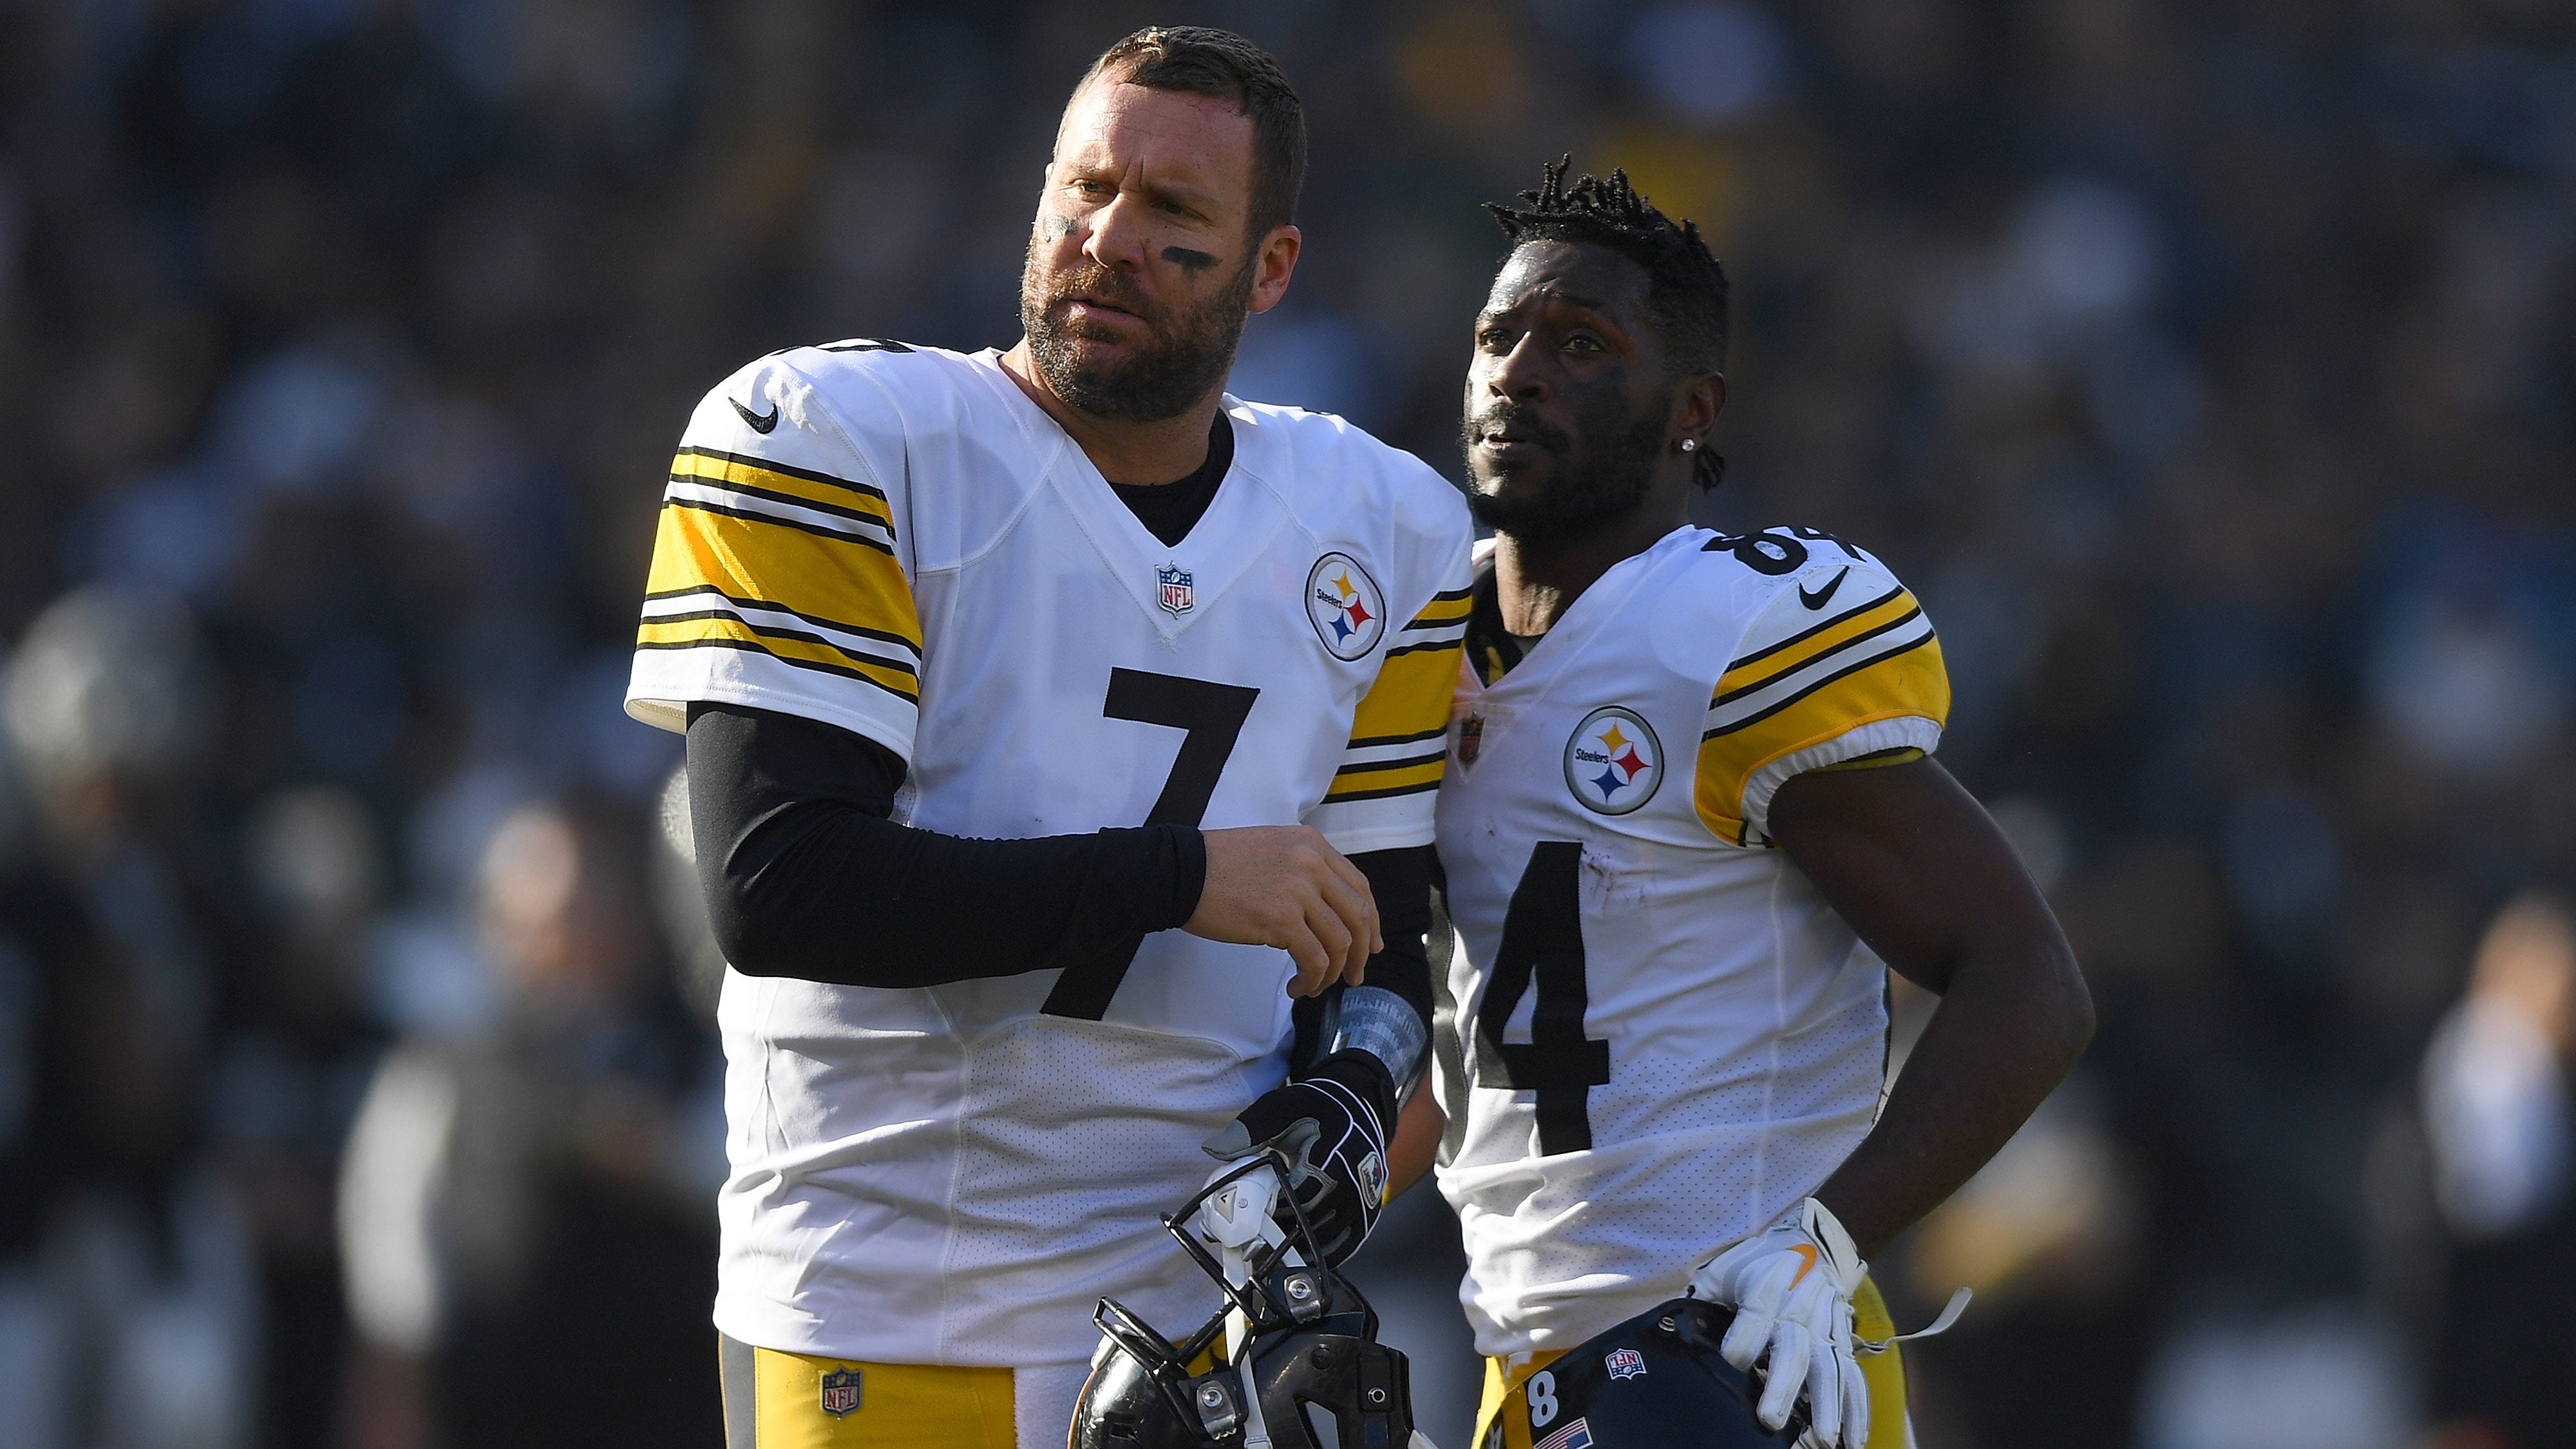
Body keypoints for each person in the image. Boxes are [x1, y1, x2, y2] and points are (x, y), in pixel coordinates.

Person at [621, 26, 1473, 1449]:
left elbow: (1374, 925)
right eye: (1083, 190)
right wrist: (1176, 876)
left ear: (1270, 270)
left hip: (1206, 1329)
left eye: (1173, 213)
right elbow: (779, 886)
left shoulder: (1380, 525)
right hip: (887, 1308)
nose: (1109, 238)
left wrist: (1352, 1077)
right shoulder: (836, 435)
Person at [1394, 161, 2094, 1449]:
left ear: (1688, 410)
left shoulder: (1721, 641)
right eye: (1498, 336)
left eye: (1580, 343)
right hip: (1518, 1362)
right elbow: (1467, 1032)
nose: (1520, 372)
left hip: (1725, 1361)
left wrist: (1827, 1238)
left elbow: (2027, 978)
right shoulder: (1410, 644)